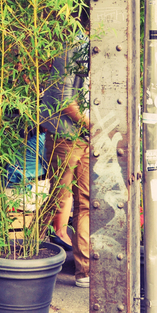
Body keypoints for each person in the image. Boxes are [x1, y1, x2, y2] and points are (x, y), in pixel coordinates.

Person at [41, 36, 90, 288]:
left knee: (87, 202)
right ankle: (29, 254)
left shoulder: (99, 47)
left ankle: (84, 270)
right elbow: (64, 99)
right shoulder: (72, 47)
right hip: (65, 136)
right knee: (58, 199)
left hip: (88, 136)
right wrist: (94, 125)